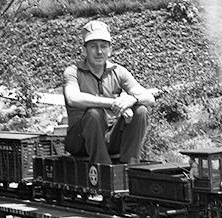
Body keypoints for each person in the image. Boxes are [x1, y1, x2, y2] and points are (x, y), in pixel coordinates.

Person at [62, 20, 158, 165]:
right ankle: (104, 169)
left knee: (141, 110)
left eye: (103, 46)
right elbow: (73, 98)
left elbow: (149, 97)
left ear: (110, 50)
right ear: (84, 50)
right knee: (94, 113)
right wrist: (113, 103)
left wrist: (131, 100)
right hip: (80, 141)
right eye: (93, 46)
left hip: (110, 138)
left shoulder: (118, 72)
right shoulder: (73, 72)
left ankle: (131, 166)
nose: (99, 52)